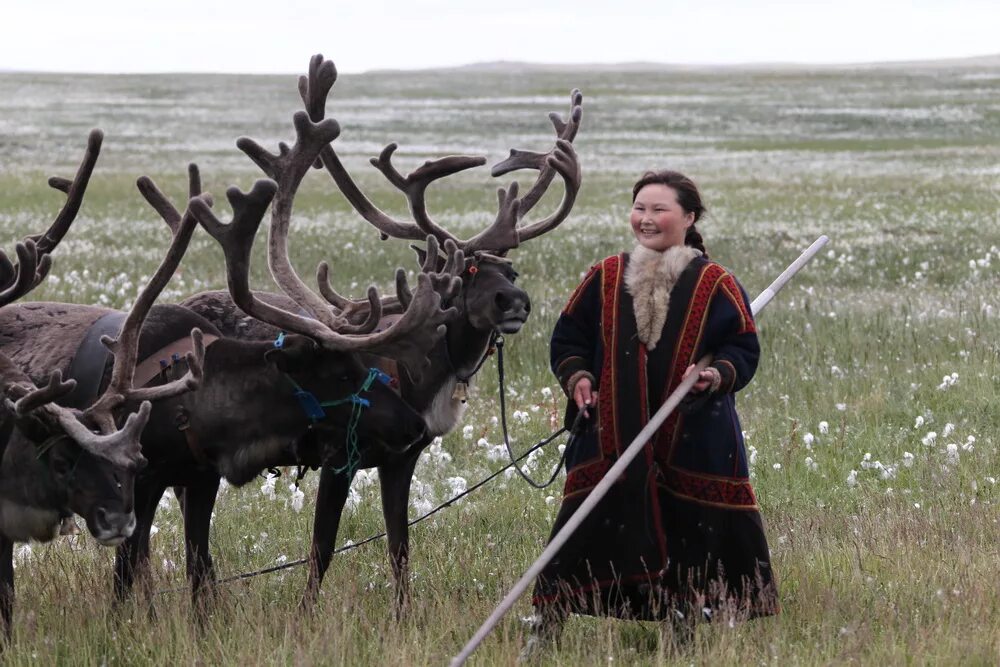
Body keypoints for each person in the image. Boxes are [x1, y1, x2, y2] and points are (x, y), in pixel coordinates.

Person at [525, 170, 778, 654]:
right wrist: (578, 379)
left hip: (693, 438)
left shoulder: (716, 283)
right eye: (639, 207)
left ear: (689, 217)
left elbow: (742, 349)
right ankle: (546, 627)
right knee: (579, 533)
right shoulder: (604, 276)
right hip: (610, 434)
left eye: (659, 209)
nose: (646, 218)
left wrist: (715, 375)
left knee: (690, 537)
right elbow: (568, 340)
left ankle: (681, 629)